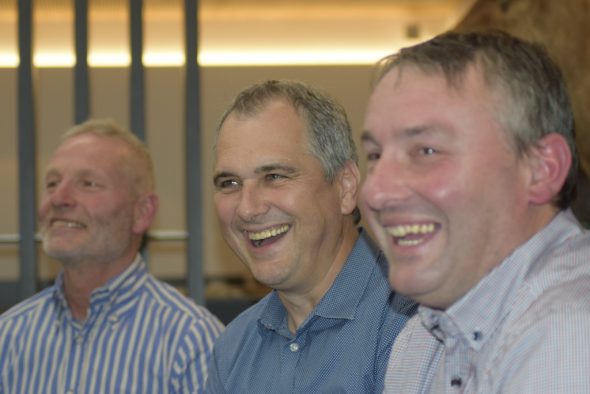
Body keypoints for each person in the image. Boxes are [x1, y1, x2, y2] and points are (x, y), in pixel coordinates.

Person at [361, 30, 590, 393]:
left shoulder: (569, 336)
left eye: (426, 151)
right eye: (374, 156)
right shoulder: (420, 338)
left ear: (541, 169)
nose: (375, 190)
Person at [206, 80, 416, 393]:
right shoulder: (234, 350)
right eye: (230, 184)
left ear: (345, 187)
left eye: (274, 177)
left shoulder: (412, 326)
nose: (247, 209)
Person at [0, 119, 224, 394]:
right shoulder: (9, 335)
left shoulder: (191, 341)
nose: (59, 198)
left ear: (142, 212)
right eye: (52, 183)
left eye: (88, 183)